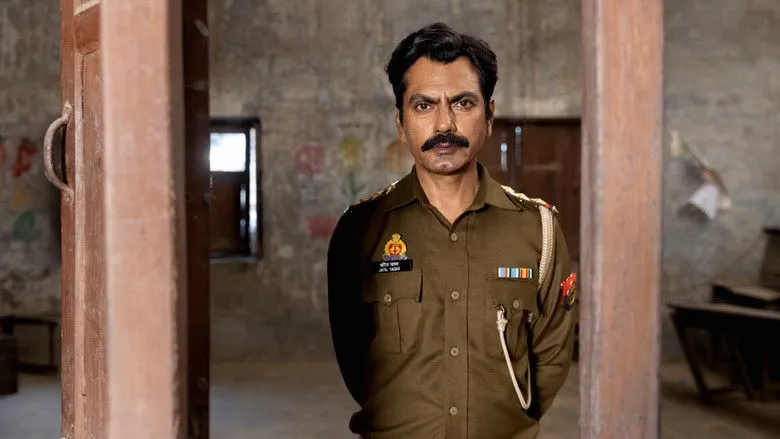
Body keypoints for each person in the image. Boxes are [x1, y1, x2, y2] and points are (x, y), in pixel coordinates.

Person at [327, 22, 577, 439]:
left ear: (489, 116)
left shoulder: (539, 230)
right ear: (401, 122)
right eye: (424, 105)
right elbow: (354, 359)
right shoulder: (360, 230)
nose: (444, 124)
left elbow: (550, 358)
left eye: (462, 103)